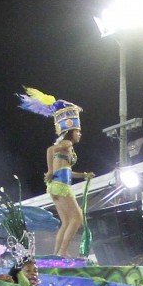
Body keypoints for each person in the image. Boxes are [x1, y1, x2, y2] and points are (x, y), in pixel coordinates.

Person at [19, 88, 90, 259]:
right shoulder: (67, 143)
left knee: (66, 221)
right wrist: (50, 170)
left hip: (57, 185)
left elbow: (66, 170)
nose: (80, 134)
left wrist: (84, 176)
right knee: (77, 218)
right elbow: (50, 150)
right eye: (78, 131)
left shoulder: (66, 145)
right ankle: (63, 252)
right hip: (61, 187)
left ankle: (57, 254)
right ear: (71, 130)